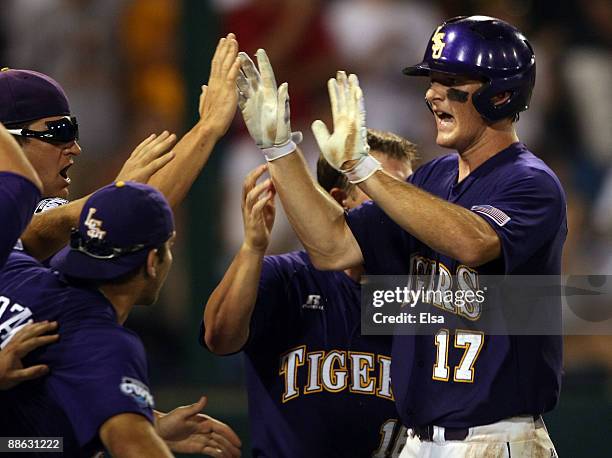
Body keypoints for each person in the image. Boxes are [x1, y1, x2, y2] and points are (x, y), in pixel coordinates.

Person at [235, 15, 566, 457]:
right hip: (417, 441)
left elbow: (473, 242)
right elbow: (333, 247)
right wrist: (281, 150)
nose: (431, 93)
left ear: (500, 93)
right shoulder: (434, 177)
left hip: (495, 436)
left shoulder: (531, 182)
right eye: (432, 80)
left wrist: (365, 170)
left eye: (450, 81)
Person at [202, 129, 416, 457]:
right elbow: (219, 337)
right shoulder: (290, 278)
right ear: (341, 200)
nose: (403, 205)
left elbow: (520, 309)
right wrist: (252, 248)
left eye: (408, 191)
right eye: (384, 190)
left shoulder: (420, 296)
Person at [0, 181, 241, 458]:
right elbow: (132, 447)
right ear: (152, 261)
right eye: (169, 245)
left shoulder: (13, 267)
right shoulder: (104, 342)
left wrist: (146, 421)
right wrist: (136, 433)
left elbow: (14, 443)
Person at [2, 32, 241, 261]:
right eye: (59, 132)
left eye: (73, 132)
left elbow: (124, 223)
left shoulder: (41, 209)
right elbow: (126, 222)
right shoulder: (21, 218)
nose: (75, 148)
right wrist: (207, 128)